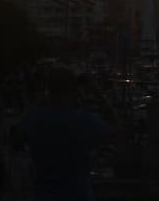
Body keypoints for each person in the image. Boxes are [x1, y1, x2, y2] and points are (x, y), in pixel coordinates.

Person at [18, 69, 107, 201]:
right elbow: (115, 125)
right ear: (74, 91)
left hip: (44, 194)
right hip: (78, 194)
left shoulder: (34, 118)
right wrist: (97, 91)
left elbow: (17, 139)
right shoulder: (85, 120)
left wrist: (40, 99)